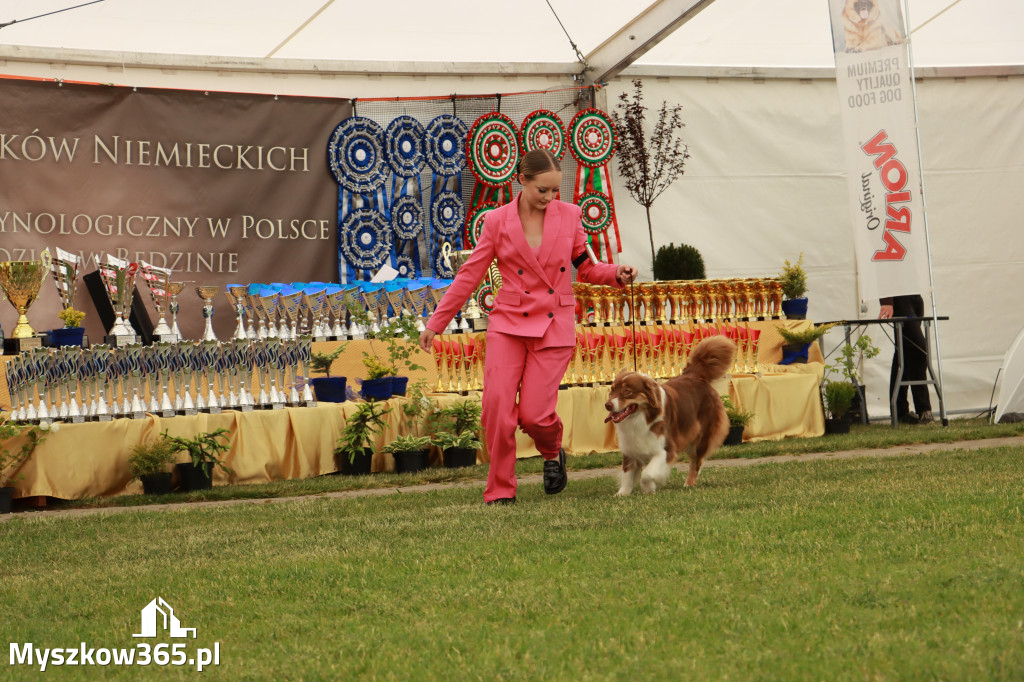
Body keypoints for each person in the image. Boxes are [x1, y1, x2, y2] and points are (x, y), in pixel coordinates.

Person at [419, 149, 638, 505]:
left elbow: (586, 267)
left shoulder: (571, 217)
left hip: (554, 326)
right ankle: (501, 491)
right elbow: (470, 274)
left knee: (535, 415)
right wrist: (436, 322)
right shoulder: (495, 221)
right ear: (522, 181)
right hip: (507, 325)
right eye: (543, 190)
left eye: (556, 191)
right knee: (497, 410)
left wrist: (615, 273)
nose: (551, 198)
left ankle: (552, 450)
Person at [879, 294, 933, 424]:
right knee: (918, 350)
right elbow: (882, 273)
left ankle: (900, 410)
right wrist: (887, 301)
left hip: (914, 296)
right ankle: (923, 409)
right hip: (899, 298)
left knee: (903, 353)